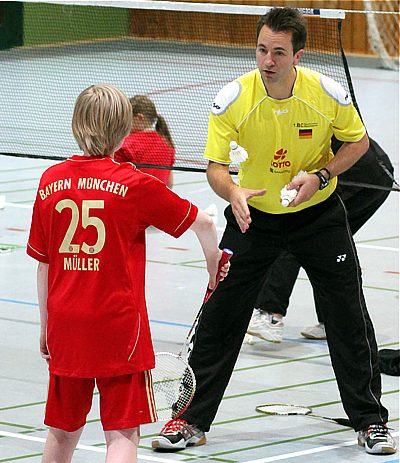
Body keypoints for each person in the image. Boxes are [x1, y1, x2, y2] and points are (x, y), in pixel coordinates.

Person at [152, 8, 397, 455]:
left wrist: (322, 175)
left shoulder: (325, 95)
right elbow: (215, 167)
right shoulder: (233, 99)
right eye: (262, 50)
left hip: (318, 217)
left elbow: (358, 143)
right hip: (252, 221)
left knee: (348, 319)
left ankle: (370, 421)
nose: (267, 60)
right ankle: (188, 420)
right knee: (219, 320)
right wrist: (234, 193)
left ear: (297, 56)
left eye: (278, 52)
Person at [26, 84, 229, 462]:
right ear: (124, 132)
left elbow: (44, 264)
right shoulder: (134, 184)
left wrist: (45, 326)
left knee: (61, 432)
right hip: (120, 329)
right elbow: (201, 222)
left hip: (66, 325)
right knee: (121, 436)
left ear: (75, 124)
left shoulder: (49, 182)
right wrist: (212, 260)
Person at [247, 137, 395, 343]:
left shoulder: (312, 114)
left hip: (363, 177)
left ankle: (270, 315)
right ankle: (333, 322)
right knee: (326, 245)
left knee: (300, 234)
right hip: (364, 175)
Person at [114, 95, 175, 188]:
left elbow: (113, 180)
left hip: (133, 200)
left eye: (127, 119)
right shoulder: (167, 143)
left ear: (139, 118)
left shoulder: (125, 144)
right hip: (159, 200)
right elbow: (169, 183)